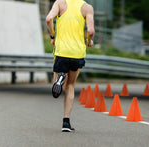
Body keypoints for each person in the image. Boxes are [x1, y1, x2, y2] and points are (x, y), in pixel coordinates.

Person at [46, 0, 95, 132]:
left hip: (62, 51)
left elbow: (48, 18)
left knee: (58, 87)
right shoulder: (87, 7)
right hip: (77, 53)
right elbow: (90, 30)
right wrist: (89, 41)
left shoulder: (60, 3)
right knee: (71, 86)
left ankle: (60, 79)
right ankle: (66, 122)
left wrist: (53, 35)